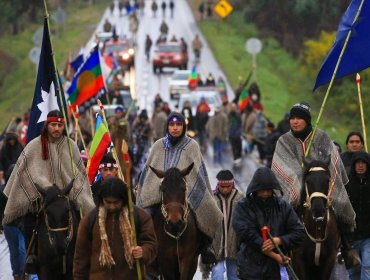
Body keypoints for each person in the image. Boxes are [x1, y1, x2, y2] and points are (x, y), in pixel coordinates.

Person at [271, 102, 358, 267]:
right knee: (280, 210)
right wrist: (301, 173)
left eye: (299, 118)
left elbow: (333, 162)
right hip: (296, 187)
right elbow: (281, 168)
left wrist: (316, 171)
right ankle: (278, 249)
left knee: (340, 201)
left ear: (307, 120)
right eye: (292, 118)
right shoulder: (283, 141)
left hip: (321, 186)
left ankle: (347, 247)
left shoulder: (322, 137)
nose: (295, 122)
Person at [136, 112, 222, 264]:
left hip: (185, 192)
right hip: (161, 192)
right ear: (167, 126)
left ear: (183, 127)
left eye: (178, 125)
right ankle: (143, 252)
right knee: (143, 217)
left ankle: (206, 248)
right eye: (172, 125)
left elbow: (198, 174)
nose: (175, 128)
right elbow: (148, 172)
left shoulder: (192, 146)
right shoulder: (158, 145)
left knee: (206, 212)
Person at [2, 110, 95, 244]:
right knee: (29, 228)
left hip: (66, 201)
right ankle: (31, 257)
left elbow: (80, 173)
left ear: (63, 127)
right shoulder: (34, 146)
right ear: (47, 125)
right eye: (53, 125)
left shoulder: (71, 146)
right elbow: (23, 173)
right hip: (40, 203)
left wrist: (74, 189)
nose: (56, 128)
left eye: (59, 125)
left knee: (83, 230)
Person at [73, 177, 158, 279]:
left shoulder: (139, 216)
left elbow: (152, 244)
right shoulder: (89, 220)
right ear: (101, 199)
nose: (112, 206)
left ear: (124, 199)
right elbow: (81, 258)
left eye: (116, 202)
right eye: (108, 202)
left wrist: (143, 251)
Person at [233, 167, 305, 279]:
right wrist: (275, 255)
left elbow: (299, 232)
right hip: (250, 270)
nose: (265, 193)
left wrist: (280, 240)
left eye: (268, 189)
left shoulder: (283, 207)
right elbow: (247, 235)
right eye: (262, 190)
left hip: (275, 271)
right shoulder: (243, 206)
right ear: (255, 189)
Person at [206, 170, 244, 280]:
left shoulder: (241, 198)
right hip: (215, 246)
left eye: (228, 186)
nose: (225, 189)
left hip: (235, 247)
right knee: (217, 273)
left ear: (232, 184)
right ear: (218, 185)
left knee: (234, 276)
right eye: (222, 186)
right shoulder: (211, 199)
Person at [345, 151, 370, 279]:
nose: (360, 166)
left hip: (368, 236)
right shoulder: (346, 185)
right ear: (353, 165)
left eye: (363, 163)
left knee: (367, 265)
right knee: (353, 270)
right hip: (351, 237)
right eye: (358, 163)